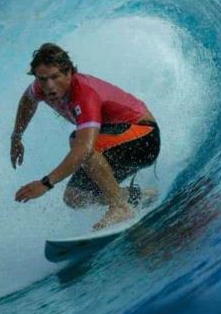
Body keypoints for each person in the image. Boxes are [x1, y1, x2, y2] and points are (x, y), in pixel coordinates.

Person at [12, 43, 160, 229]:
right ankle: (137, 196)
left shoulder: (84, 94)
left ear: (69, 72)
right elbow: (28, 100)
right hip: (112, 144)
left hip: (143, 137)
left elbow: (84, 148)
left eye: (55, 77)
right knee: (75, 197)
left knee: (78, 141)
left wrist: (46, 183)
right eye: (43, 79)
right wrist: (16, 137)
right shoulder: (41, 87)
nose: (50, 86)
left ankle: (120, 207)